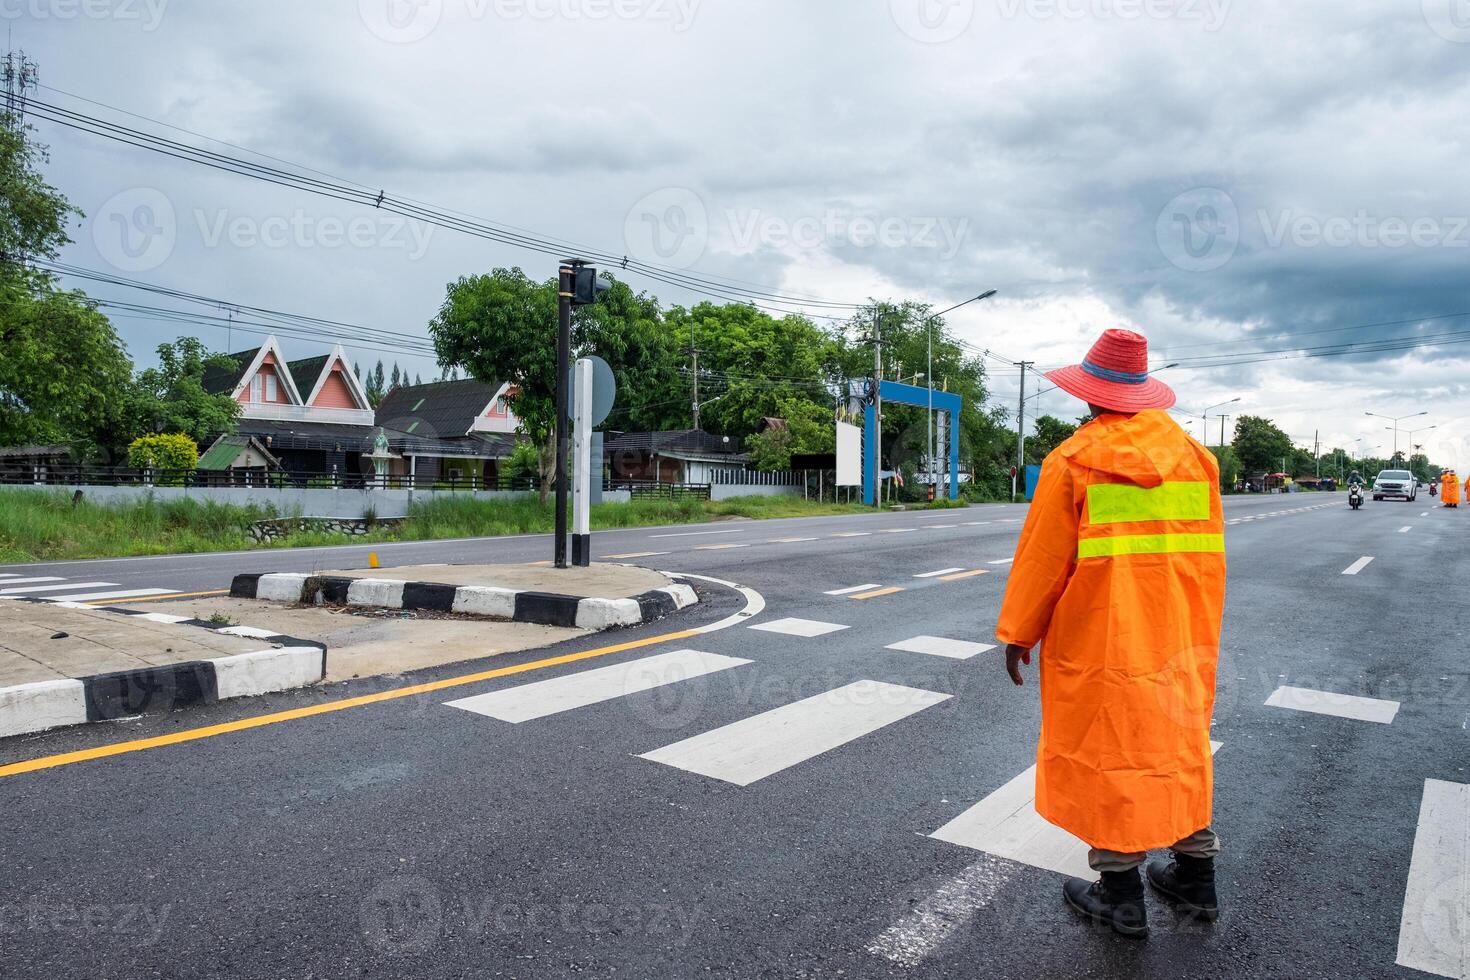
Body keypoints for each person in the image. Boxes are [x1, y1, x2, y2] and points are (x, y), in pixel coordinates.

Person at [996, 328, 1227, 938]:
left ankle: (1120, 893)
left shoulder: (1075, 460)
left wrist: (1019, 633)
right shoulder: (1198, 461)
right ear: (1145, 396)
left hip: (1103, 639)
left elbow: (1043, 561)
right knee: (1178, 749)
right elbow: (1205, 561)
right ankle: (1196, 877)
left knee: (1112, 754)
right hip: (1182, 635)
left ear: (1091, 396)